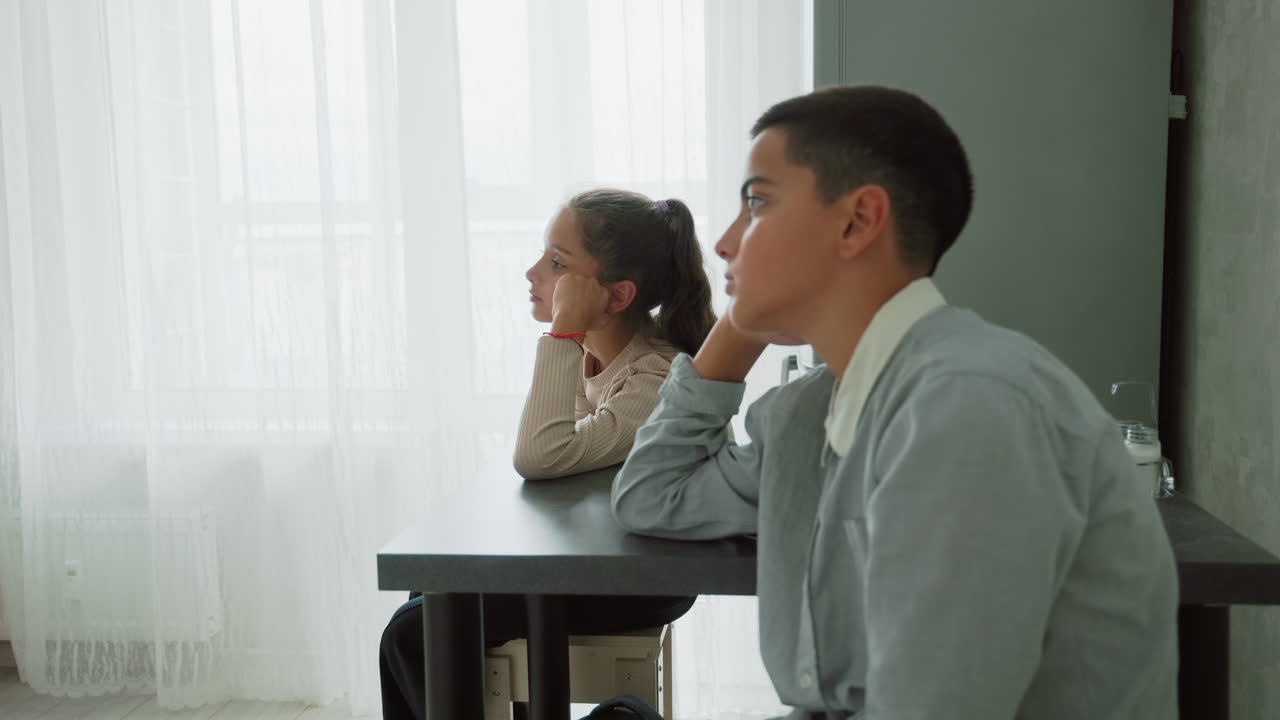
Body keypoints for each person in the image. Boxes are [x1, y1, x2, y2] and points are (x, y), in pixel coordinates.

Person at [611, 86, 1179, 719]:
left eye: (758, 204)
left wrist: (757, 299)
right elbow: (653, 495)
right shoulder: (810, 412)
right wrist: (741, 325)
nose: (723, 242)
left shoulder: (967, 408)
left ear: (857, 222)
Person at [379, 188, 714, 720]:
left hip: (640, 579)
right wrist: (572, 341)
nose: (532, 272)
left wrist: (563, 333)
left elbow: (540, 454)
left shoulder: (653, 377)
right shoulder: (602, 356)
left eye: (556, 262)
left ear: (617, 295)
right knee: (433, 594)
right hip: (599, 559)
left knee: (411, 633)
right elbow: (558, 454)